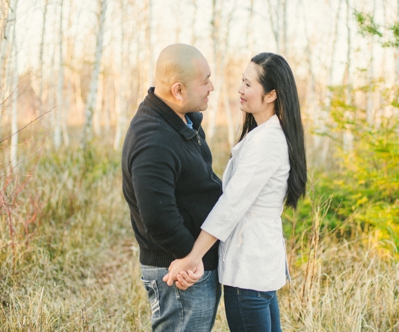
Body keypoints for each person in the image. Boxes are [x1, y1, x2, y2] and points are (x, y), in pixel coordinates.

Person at [164, 52, 308, 332]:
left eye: (249, 85)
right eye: (242, 81)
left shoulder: (267, 141)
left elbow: (231, 206)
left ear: (271, 95)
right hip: (259, 267)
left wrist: (193, 257)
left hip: (249, 271)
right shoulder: (269, 133)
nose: (240, 90)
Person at [121, 43, 224, 331]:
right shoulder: (153, 139)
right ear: (178, 91)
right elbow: (158, 216)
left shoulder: (180, 119)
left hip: (190, 264)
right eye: (204, 81)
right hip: (179, 272)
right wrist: (191, 258)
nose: (211, 87)